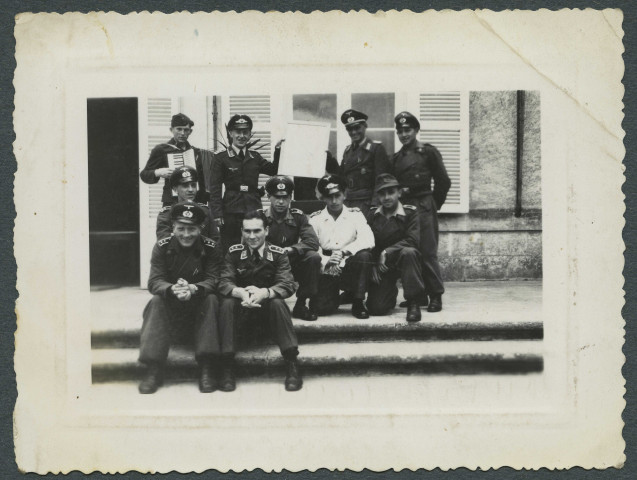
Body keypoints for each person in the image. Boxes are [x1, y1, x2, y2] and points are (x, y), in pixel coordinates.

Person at [138, 202, 227, 394]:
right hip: (173, 310)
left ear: (201, 228)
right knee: (156, 301)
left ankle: (207, 367)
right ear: (173, 228)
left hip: (201, 311)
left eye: (192, 229)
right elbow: (154, 281)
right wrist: (173, 290)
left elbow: (215, 280)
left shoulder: (211, 248)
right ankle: (153, 368)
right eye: (181, 228)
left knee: (212, 300)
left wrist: (194, 288)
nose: (186, 234)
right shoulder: (162, 247)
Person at [218, 210, 302, 392]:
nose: (252, 236)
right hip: (241, 312)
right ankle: (227, 366)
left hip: (268, 315)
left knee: (278, 303)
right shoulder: (233, 253)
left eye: (257, 231)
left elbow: (287, 284)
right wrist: (239, 292)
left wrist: (266, 292)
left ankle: (291, 364)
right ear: (241, 231)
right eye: (247, 231)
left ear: (267, 231)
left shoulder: (278, 254)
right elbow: (224, 281)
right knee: (226, 303)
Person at [390, 111, 451, 312]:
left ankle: (436, 295)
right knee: (410, 252)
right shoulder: (397, 158)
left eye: (407, 130)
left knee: (427, 251)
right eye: (400, 131)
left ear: (416, 130)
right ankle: (418, 294)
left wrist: (433, 205)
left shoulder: (428, 152)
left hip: (424, 206)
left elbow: (443, 181)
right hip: (405, 209)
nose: (404, 135)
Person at [208, 114, 279, 250]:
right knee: (230, 247)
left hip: (253, 208)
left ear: (249, 134)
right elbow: (215, 188)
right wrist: (217, 214)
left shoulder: (255, 157)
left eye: (245, 132)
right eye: (238, 132)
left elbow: (273, 170)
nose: (241, 136)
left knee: (254, 246)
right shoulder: (220, 158)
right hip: (230, 210)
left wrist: (278, 150)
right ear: (230, 133)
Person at [309, 174, 375, 319]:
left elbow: (368, 239)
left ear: (344, 195)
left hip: (349, 265)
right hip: (326, 267)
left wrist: (344, 252)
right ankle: (332, 296)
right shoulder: (315, 219)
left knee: (364, 256)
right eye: (329, 196)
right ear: (323, 198)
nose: (334, 201)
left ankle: (358, 300)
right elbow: (311, 245)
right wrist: (327, 261)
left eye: (337, 195)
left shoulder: (355, 215)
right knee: (323, 308)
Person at [366, 174, 425, 322]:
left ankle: (413, 302)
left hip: (404, 262)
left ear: (399, 192)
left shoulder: (410, 212)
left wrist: (387, 251)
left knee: (409, 252)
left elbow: (412, 240)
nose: (386, 197)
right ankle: (389, 292)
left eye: (391, 192)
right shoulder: (373, 215)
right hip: (383, 266)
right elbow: (367, 242)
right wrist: (372, 265)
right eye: (382, 193)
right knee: (376, 309)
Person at [263, 176, 321, 321]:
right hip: (268, 264)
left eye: (285, 197)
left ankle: (301, 304)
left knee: (313, 257)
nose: (281, 202)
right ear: (269, 197)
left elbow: (312, 242)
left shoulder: (298, 217)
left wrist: (292, 249)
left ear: (290, 198)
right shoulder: (260, 217)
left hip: (291, 262)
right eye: (276, 197)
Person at [140, 113, 208, 206]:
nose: (182, 133)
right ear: (171, 130)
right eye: (179, 129)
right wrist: (158, 172)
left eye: (186, 130)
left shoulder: (196, 152)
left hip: (196, 201)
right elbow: (144, 174)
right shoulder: (161, 149)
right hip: (172, 201)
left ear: (190, 132)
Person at [338, 109, 391, 216]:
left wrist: (375, 206)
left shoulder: (376, 149)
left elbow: (381, 181)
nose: (353, 132)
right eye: (349, 129)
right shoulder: (347, 151)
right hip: (348, 203)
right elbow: (342, 177)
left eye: (357, 128)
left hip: (366, 204)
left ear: (365, 126)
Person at [155, 166, 219, 241]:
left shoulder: (205, 211)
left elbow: (215, 241)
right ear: (175, 189)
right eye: (185, 186)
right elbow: (163, 242)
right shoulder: (166, 214)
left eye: (193, 185)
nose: (191, 189)